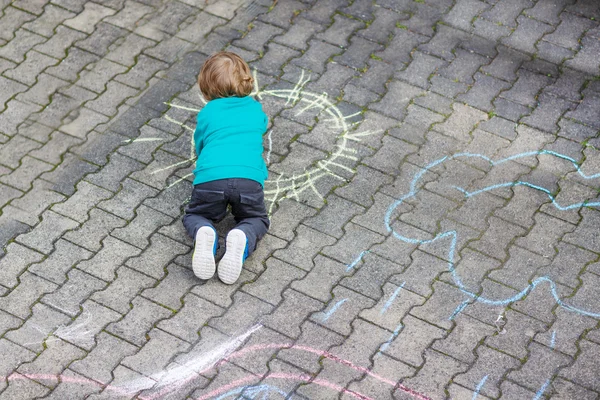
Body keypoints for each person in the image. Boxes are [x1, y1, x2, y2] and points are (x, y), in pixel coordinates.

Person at [182, 51, 269, 285]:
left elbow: (200, 143)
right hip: (249, 179)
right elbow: (261, 127)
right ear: (246, 81)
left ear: (207, 88)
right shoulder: (254, 108)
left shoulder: (208, 112)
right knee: (256, 218)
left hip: (211, 178)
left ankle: (204, 232)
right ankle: (242, 235)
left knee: (197, 214)